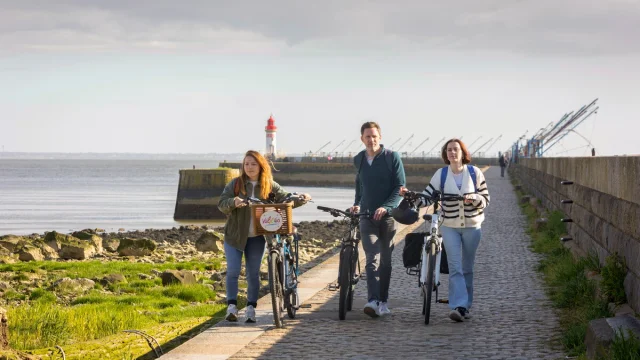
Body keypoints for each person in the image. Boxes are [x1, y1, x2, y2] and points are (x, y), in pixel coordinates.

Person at [400, 138, 490, 322]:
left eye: (456, 149)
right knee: (455, 267)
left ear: (463, 153)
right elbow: (427, 197)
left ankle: (466, 304)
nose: (452, 153)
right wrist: (412, 196)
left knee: (467, 268)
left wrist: (474, 198)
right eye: (449, 150)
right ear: (445, 154)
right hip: (449, 226)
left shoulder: (474, 173)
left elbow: (486, 198)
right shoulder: (441, 175)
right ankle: (459, 306)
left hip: (472, 227)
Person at [218, 150, 311, 323]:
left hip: (257, 237)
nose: (250, 167)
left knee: (253, 273)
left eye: (253, 164)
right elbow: (221, 204)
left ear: (261, 166)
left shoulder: (269, 185)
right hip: (234, 236)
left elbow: (285, 200)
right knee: (233, 271)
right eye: (246, 164)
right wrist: (233, 202)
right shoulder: (235, 184)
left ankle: (251, 308)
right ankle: (231, 307)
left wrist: (302, 198)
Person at [349, 122, 406, 318]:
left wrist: (386, 207)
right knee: (372, 259)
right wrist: (357, 203)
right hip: (366, 217)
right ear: (362, 139)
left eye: (374, 136)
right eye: (367, 136)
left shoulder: (392, 157)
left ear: (380, 137)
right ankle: (372, 301)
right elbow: (360, 185)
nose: (371, 140)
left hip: (388, 218)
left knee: (386, 262)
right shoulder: (359, 159)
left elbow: (400, 187)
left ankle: (383, 301)